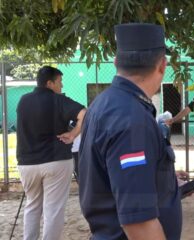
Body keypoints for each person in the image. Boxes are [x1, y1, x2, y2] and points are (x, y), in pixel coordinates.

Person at [79, 23, 182, 240]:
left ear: (117, 62)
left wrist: (164, 180)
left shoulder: (103, 103)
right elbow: (139, 224)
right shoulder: (132, 119)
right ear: (162, 65)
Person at [16, 66, 86, 240]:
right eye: (59, 82)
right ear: (50, 83)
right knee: (53, 210)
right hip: (56, 161)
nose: (61, 86)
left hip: (27, 163)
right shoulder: (58, 100)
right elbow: (85, 113)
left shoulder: (23, 100)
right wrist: (73, 134)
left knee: (32, 206)